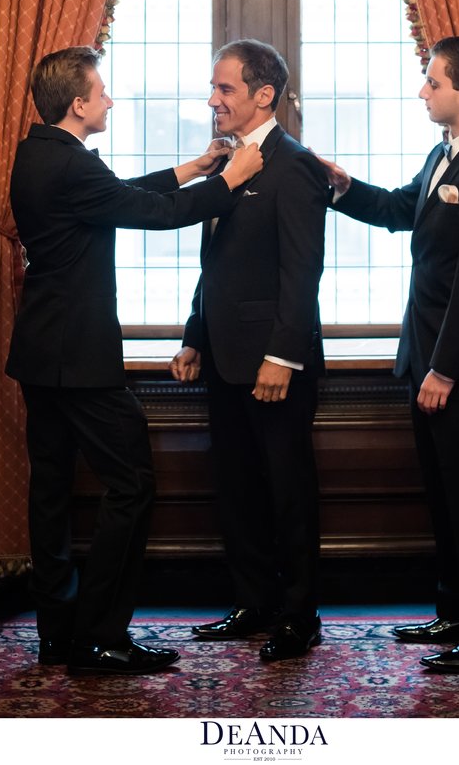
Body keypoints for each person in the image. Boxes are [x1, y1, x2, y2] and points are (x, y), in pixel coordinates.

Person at [5, 44, 262, 677]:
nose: (111, 101)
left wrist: (192, 168)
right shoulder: (69, 166)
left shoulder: (40, 152)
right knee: (133, 485)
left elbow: (114, 195)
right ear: (78, 103)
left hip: (41, 354)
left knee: (50, 494)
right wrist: (226, 181)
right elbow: (152, 214)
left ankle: (60, 634)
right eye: (103, 92)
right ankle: (101, 637)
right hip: (80, 361)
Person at [317, 35, 459, 674]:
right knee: (446, 498)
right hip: (429, 360)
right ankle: (458, 613)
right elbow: (399, 210)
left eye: (432, 83)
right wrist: (344, 186)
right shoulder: (446, 153)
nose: (422, 91)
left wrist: (444, 368)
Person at [170, 40, 328, 662]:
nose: (212, 100)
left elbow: (303, 272)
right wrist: (192, 333)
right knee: (235, 487)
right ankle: (253, 602)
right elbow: (217, 261)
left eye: (225, 89)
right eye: (213, 89)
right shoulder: (226, 162)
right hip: (222, 359)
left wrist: (281, 357)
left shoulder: (295, 166)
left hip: (274, 365)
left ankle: (298, 615)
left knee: (287, 490)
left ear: (264, 95)